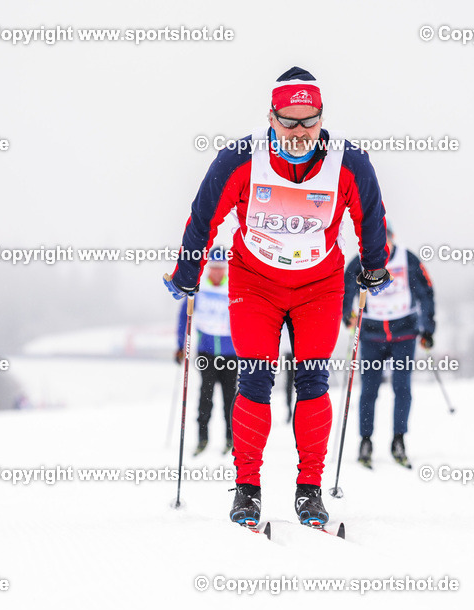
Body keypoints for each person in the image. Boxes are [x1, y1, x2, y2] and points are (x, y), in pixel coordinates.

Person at [164, 66, 392, 528]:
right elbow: (205, 212)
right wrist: (188, 271)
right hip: (255, 284)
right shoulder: (240, 158)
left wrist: (373, 266)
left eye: (309, 121)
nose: (299, 132)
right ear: (271, 117)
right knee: (255, 379)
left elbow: (370, 212)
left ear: (322, 118)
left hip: (319, 286)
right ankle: (247, 489)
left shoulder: (348, 161)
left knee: (312, 381)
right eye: (288, 121)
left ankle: (309, 490)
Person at [343, 229, 435, 469]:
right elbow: (346, 286)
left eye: (386, 238)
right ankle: (365, 441)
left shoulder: (407, 258)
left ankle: (398, 440)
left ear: (392, 237)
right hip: (372, 334)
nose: (382, 244)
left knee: (402, 387)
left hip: (403, 332)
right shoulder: (363, 260)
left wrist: (427, 328)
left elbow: (426, 292)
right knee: (369, 390)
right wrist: (347, 316)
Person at [175, 245, 237, 455]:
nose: (218, 271)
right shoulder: (199, 288)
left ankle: (231, 439)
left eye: (221, 267)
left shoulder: (234, 288)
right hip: (207, 351)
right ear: (208, 268)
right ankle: (202, 439)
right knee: (205, 395)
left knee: (230, 397)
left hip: (231, 352)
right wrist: (180, 345)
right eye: (214, 267)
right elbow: (184, 316)